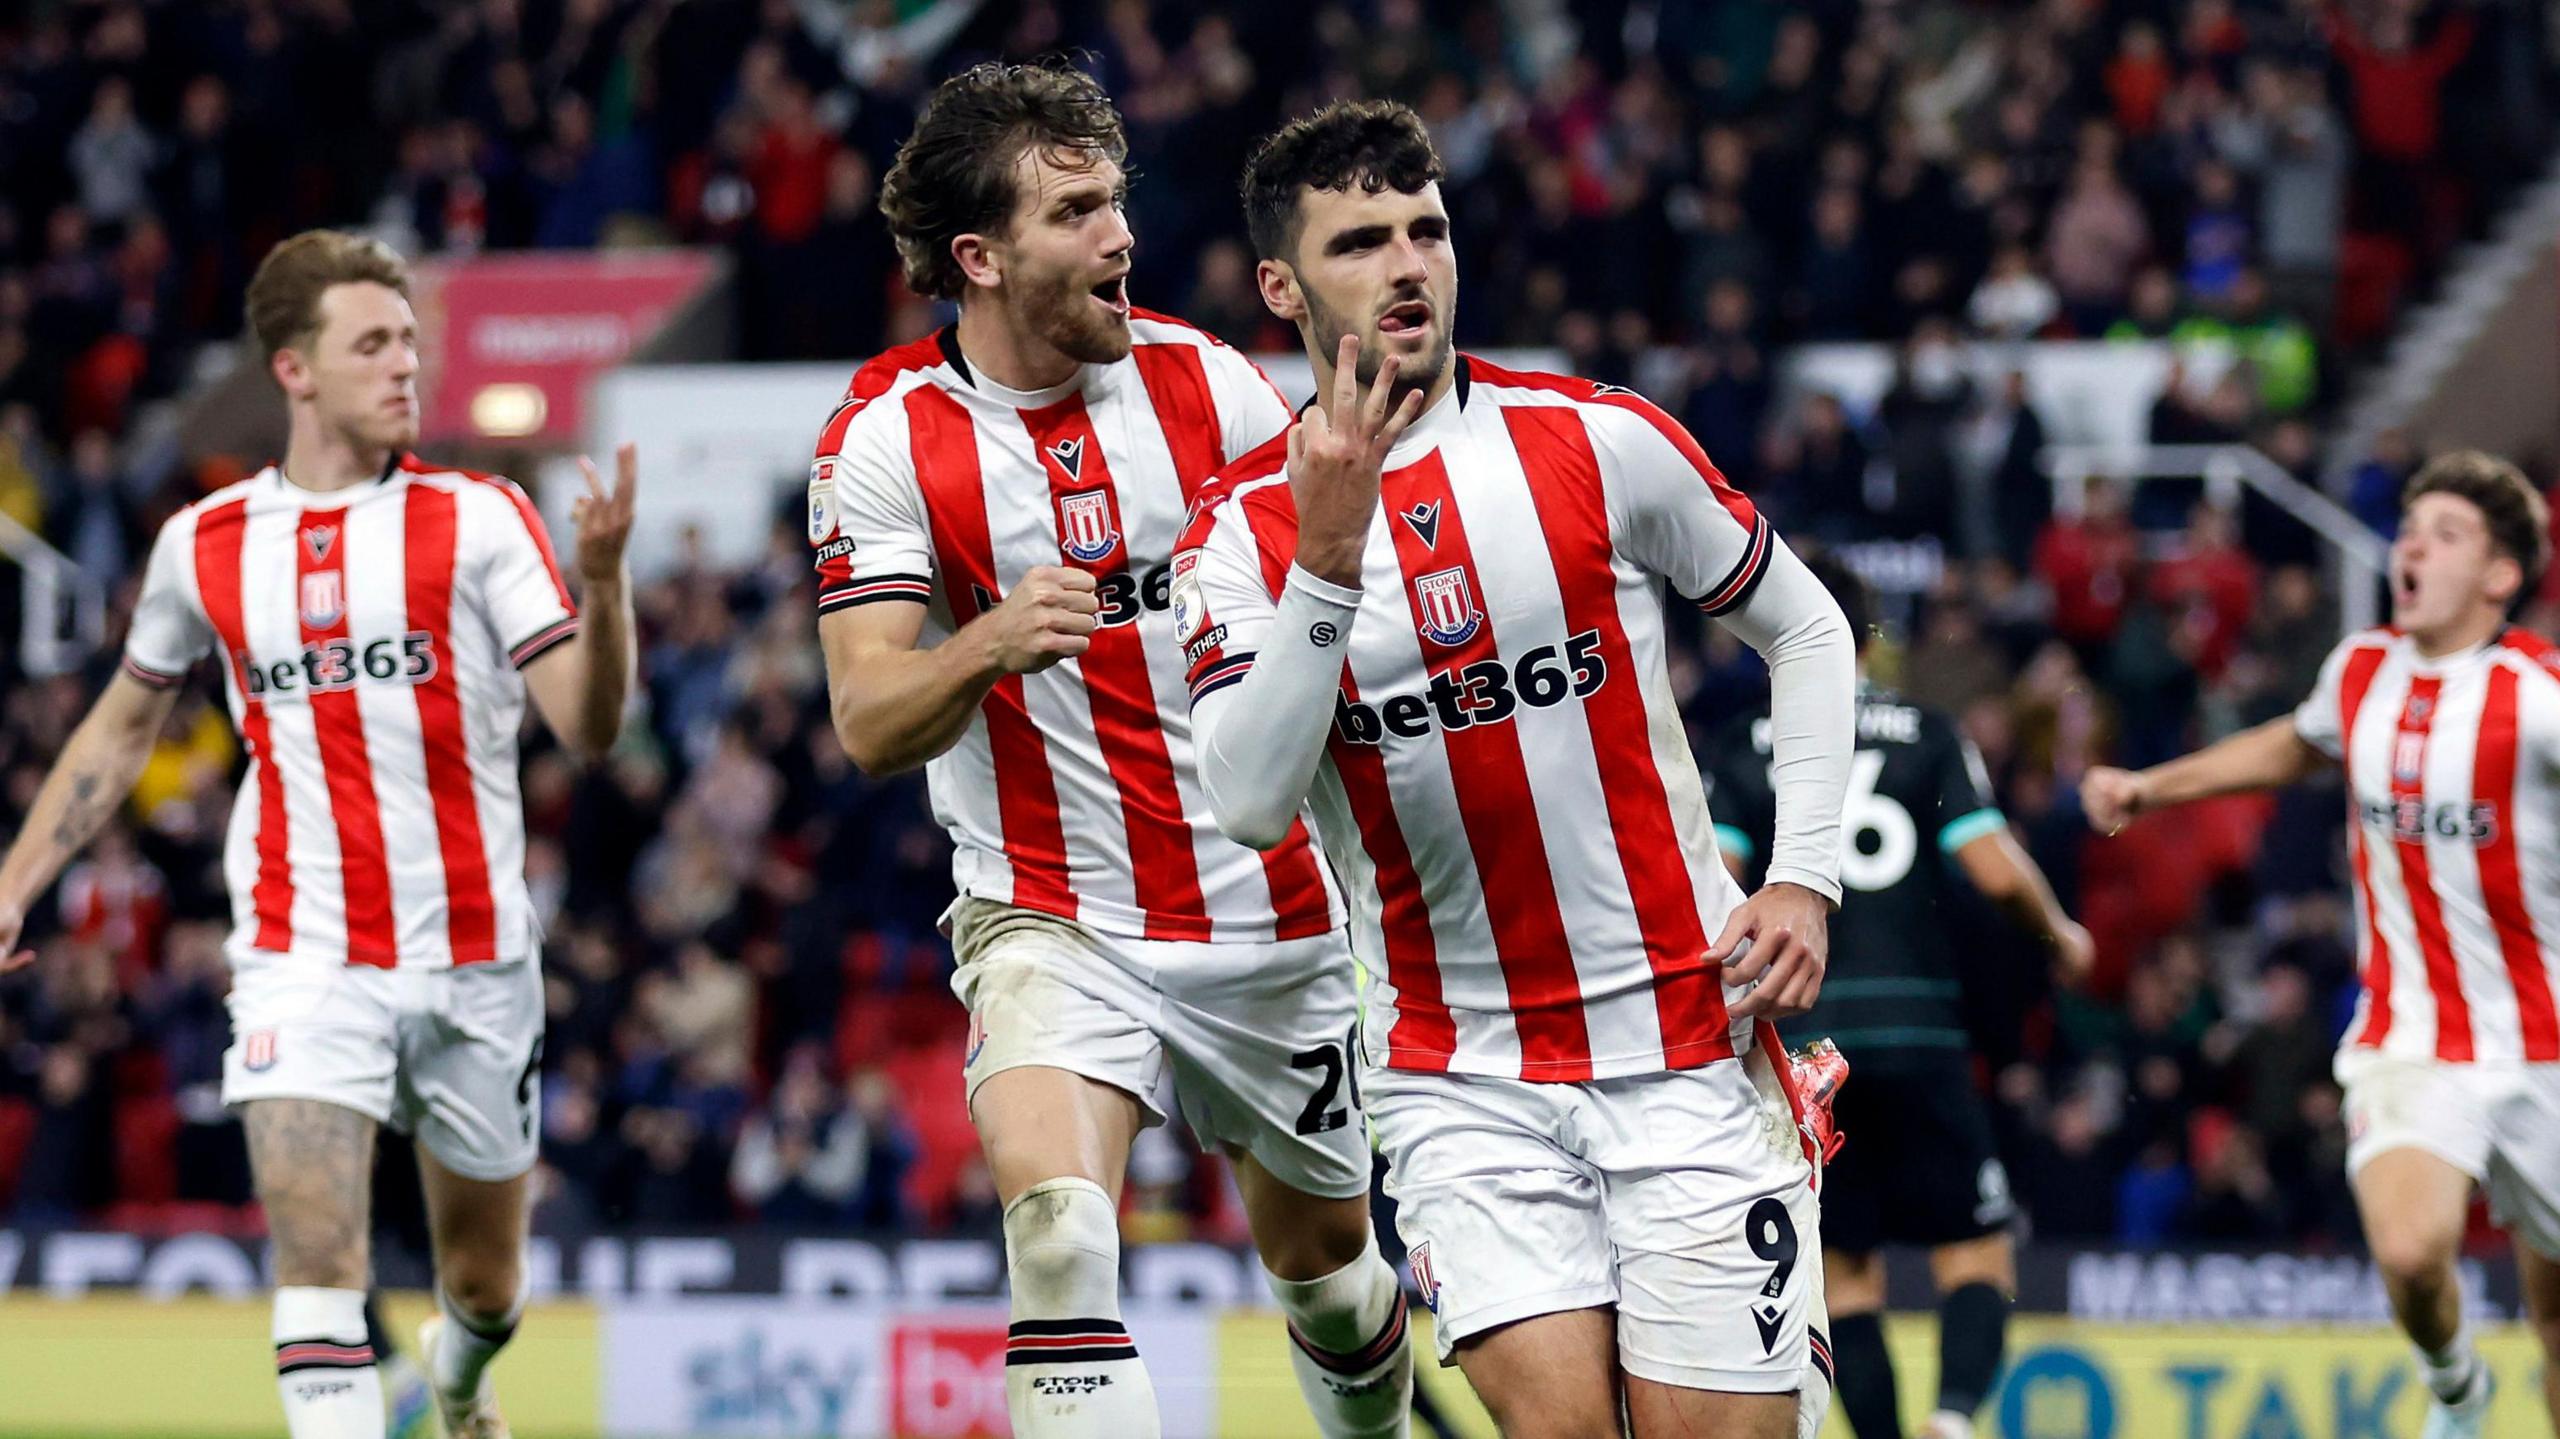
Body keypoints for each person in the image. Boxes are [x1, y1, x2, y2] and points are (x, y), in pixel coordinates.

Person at [1176, 99, 1856, 1439]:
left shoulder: (1595, 438)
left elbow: (1810, 623)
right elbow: (1253, 799)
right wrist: (1327, 557)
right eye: (1362, 241)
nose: (1408, 263)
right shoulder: (1245, 533)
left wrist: (1806, 876)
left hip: (1687, 1038)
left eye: (1425, 228)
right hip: (1458, 1072)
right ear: (1281, 284)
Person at [808, 63, 1410, 1439]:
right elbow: (866, 719)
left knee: (1326, 1273)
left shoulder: (1211, 387)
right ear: (979, 257)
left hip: (1273, 912)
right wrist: (983, 642)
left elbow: (1344, 616)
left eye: (1116, 199)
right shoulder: (885, 441)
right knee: (1064, 1238)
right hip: (1053, 911)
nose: (1118, 234)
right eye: (1076, 211)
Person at [0, 229, 637, 1439]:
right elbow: (120, 728)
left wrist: (603, 589)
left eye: (410, 341)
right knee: (316, 1260)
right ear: (293, 367)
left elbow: (590, 726)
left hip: (477, 952)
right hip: (303, 945)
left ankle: (458, 1376)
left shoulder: (484, 517)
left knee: (487, 1288)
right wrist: (16, 878)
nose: (408, 366)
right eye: (373, 344)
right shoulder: (207, 542)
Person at [2083, 451, 2560, 1438]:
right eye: (2411, 524)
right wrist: (2150, 785)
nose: (2411, 543)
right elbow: (2297, 743)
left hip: (2544, 1042)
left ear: (2500, 576)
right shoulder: (2361, 669)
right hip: (2412, 1031)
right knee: (2409, 1244)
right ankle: (2456, 1383)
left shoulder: (2537, 694)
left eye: (2445, 531)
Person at [1709, 553, 2095, 1439]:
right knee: (1977, 1252)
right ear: (1866, 637)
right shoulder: (1927, 731)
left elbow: (1719, 881)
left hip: (1807, 1039)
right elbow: (1993, 869)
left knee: (1843, 1271)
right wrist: (2060, 932)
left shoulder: (1742, 742)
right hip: (1920, 1026)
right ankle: (1953, 1418)